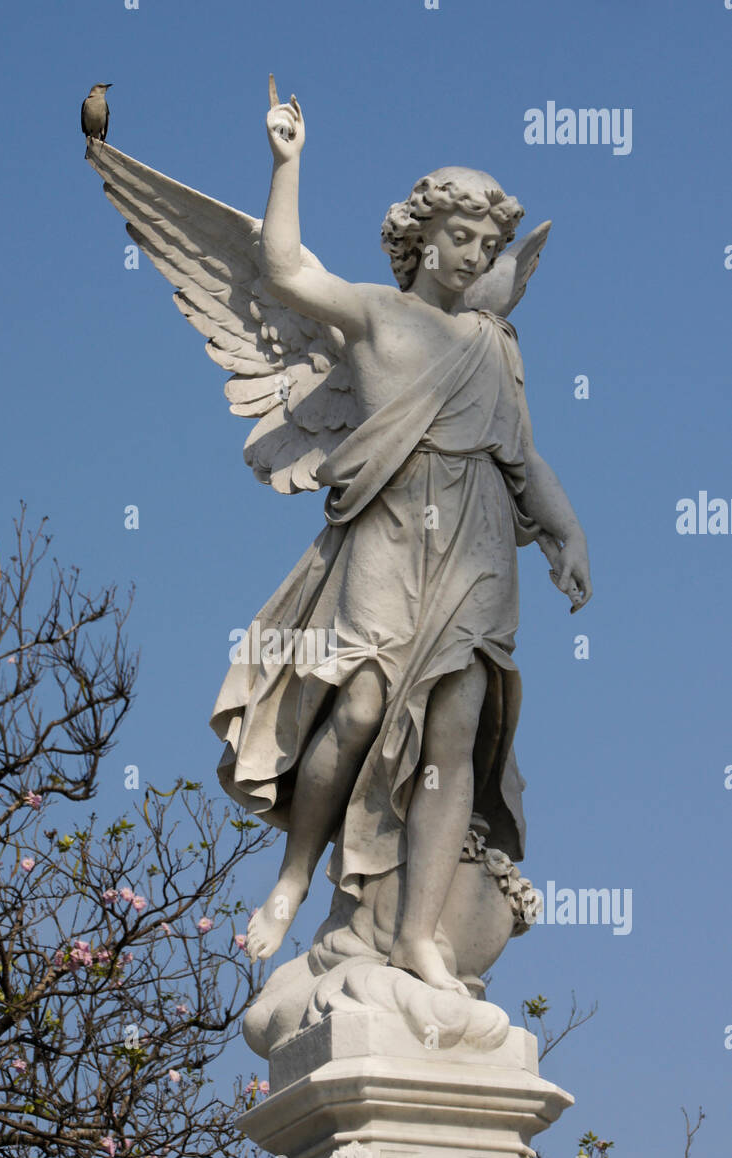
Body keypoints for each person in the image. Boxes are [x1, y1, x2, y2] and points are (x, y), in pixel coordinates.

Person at [211, 95, 591, 991]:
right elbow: (281, 268)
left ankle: (419, 934)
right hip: (390, 527)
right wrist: (287, 160)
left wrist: (566, 533)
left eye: (488, 245)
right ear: (424, 236)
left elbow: (524, 457)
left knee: (452, 737)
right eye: (462, 236)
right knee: (360, 707)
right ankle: (295, 879)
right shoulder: (378, 316)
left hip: (479, 540)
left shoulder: (493, 345)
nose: (477, 255)